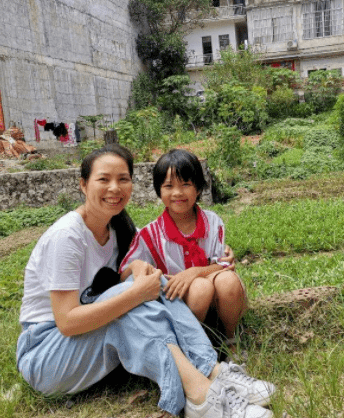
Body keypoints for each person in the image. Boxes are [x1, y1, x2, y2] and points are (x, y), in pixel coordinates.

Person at [16, 144, 275, 418]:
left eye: (123, 179)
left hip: (86, 343)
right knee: (133, 297)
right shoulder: (67, 237)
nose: (114, 188)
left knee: (150, 281)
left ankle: (214, 373)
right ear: (83, 185)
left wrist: (142, 269)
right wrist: (136, 293)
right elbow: (67, 322)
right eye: (103, 179)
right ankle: (203, 395)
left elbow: (141, 258)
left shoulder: (118, 228)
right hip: (47, 357)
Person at [120, 149, 247, 352]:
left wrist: (195, 272)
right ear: (159, 191)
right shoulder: (149, 234)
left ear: (198, 188)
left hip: (213, 295)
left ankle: (231, 339)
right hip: (175, 302)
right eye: (169, 186)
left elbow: (224, 263)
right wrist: (142, 269)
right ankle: (192, 346)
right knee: (200, 289)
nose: (177, 193)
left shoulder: (212, 222)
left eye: (186, 184)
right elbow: (124, 272)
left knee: (228, 280)